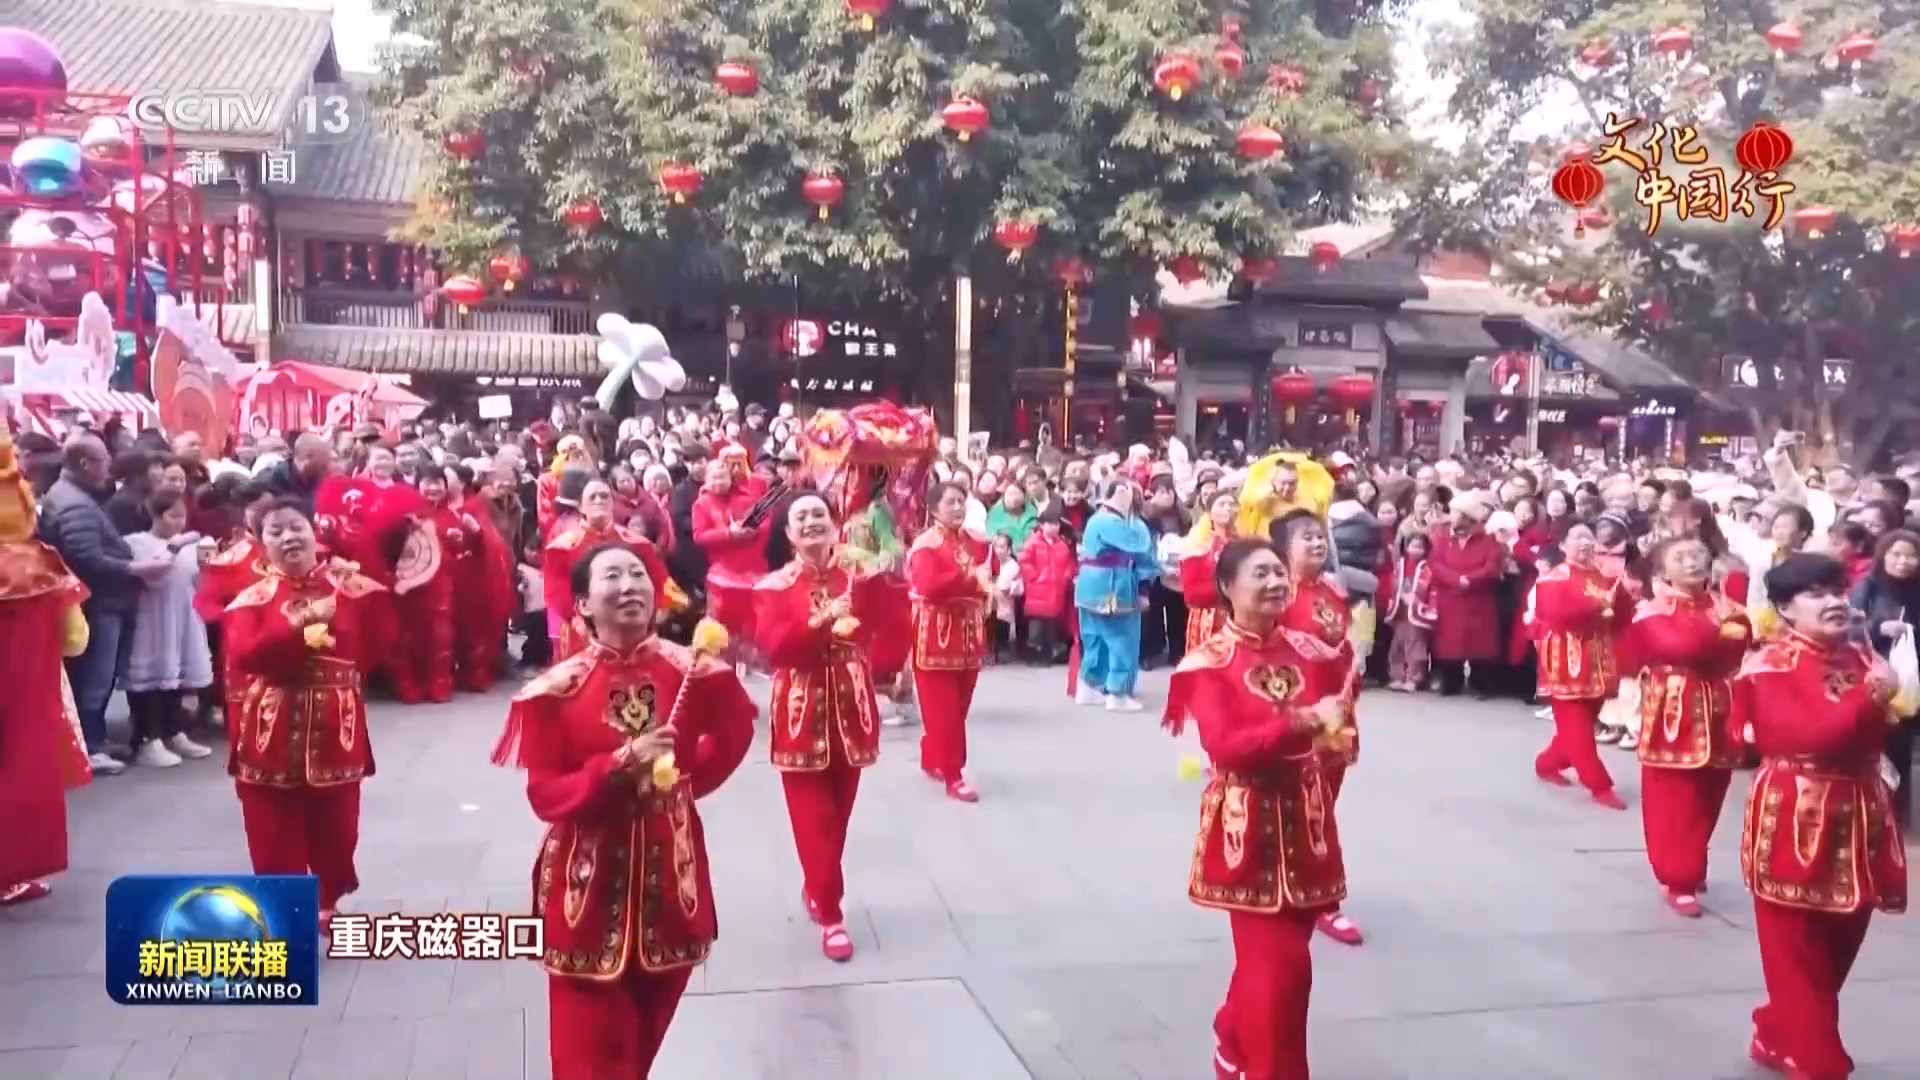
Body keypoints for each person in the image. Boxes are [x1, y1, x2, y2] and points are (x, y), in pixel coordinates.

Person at [493, 542, 756, 1080]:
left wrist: (682, 785)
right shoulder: (555, 691)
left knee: (644, 1034)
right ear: (583, 603)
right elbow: (546, 796)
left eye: (638, 574)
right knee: (586, 1052)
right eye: (612, 576)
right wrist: (618, 765)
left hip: (671, 877)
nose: (630, 585)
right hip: (585, 888)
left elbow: (733, 735)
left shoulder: (695, 672)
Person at [1162, 538, 1349, 1080]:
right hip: (1249, 827)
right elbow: (1227, 749)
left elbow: (1340, 705)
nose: (1274, 582)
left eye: (1277, 572)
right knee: (1284, 975)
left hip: (1306, 825)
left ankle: (1230, 1035)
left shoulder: (1311, 650)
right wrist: (1302, 722)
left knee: (1273, 968)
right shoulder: (1209, 663)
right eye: (1260, 573)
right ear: (1227, 587)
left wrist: (1333, 729)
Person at [1735, 553, 1906, 1080]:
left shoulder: (1859, 654)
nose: (1833, 601)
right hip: (1795, 810)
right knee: (1796, 948)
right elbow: (1809, 737)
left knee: (1838, 943)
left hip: (1859, 810)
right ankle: (1818, 1063)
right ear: (1786, 608)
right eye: (1816, 594)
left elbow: (1874, 730)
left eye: (1837, 590)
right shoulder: (1768, 667)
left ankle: (1775, 1027)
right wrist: (1874, 692)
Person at [223, 498, 391, 930]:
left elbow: (379, 639)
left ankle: (326, 898)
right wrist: (301, 629)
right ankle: (286, 909)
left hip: (337, 722)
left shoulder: (350, 585)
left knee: (338, 823)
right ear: (262, 543)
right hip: (272, 724)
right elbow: (246, 655)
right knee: (272, 824)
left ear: (314, 532)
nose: (288, 538)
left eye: (296, 527)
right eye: (275, 531)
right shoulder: (252, 599)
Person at [753, 494, 890, 963]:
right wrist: (825, 619)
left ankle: (818, 885)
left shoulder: (858, 576)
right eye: (802, 517)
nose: (812, 522)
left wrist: (884, 579)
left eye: (820, 515)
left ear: (835, 525)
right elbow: (779, 650)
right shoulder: (773, 587)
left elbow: (880, 628)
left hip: (852, 707)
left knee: (840, 816)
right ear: (788, 533)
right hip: (801, 710)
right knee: (816, 821)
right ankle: (831, 915)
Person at [1623, 536, 1750, 916]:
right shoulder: (1652, 613)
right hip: (1673, 709)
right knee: (1673, 796)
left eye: (1698, 554)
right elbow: (1683, 649)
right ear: (1663, 571)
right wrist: (1724, 631)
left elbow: (1739, 648)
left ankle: (1691, 859)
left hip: (1719, 706)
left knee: (1712, 790)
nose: (1693, 562)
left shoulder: (1727, 608)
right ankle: (1678, 876)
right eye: (1681, 557)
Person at [0, 428, 93, 906]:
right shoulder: (38, 565)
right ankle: (9, 871)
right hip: (24, 691)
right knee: (20, 768)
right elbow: (75, 639)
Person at [41, 435, 172, 773]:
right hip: (99, 601)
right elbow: (87, 559)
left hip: (100, 600)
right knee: (95, 677)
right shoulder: (75, 504)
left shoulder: (73, 496)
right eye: (103, 460)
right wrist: (137, 567)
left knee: (96, 674)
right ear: (86, 464)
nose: (109, 467)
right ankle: (91, 745)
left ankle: (93, 739)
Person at [1271, 508, 1365, 946]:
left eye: (1319, 536)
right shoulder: (1276, 596)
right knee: (1309, 811)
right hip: (1299, 720)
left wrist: (1353, 662)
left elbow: (1343, 648)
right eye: (1305, 537)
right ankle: (1323, 900)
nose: (1316, 543)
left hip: (1336, 718)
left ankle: (1301, 886)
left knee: (1320, 807)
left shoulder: (1331, 590)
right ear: (1283, 547)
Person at [1532, 519, 1631, 808]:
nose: (1585, 543)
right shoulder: (1554, 578)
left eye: (1589, 537)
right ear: (1563, 545)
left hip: (1598, 656)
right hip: (1566, 656)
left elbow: (1621, 616)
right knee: (1577, 726)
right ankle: (1599, 784)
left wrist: (1623, 597)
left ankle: (1546, 763)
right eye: (1577, 538)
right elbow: (1557, 615)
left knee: (1581, 725)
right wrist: (1598, 607)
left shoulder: (1605, 575)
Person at [906, 481, 989, 802]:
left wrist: (987, 579)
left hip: (969, 634)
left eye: (961, 501)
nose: (958, 507)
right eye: (950, 502)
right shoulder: (925, 545)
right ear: (934, 509)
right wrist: (971, 579)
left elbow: (990, 569)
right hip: (936, 635)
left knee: (959, 708)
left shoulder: (975, 541)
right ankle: (954, 776)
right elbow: (930, 586)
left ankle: (932, 754)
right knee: (944, 713)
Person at [122, 489, 216, 767]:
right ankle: (147, 739)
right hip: (153, 618)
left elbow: (199, 583)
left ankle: (173, 732)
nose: (179, 522)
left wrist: (209, 565)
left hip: (184, 615)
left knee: (177, 675)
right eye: (172, 515)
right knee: (152, 676)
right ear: (155, 514)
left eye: (182, 516)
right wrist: (175, 546)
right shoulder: (137, 542)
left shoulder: (190, 546)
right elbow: (154, 575)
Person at [544, 478, 682, 661]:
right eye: (592, 497)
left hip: (630, 624)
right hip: (581, 628)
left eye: (604, 496)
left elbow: (658, 580)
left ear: (612, 504)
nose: (599, 500)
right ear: (581, 507)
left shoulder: (637, 543)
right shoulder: (562, 548)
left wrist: (654, 610)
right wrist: (578, 620)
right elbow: (556, 591)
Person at [1849, 529, 1920, 822]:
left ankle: (1897, 812)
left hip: (1911, 682)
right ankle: (1873, 810)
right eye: (1896, 554)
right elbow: (1849, 628)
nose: (1903, 562)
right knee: (1877, 744)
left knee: (1902, 747)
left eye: (1911, 556)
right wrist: (1879, 628)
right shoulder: (1867, 587)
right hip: (1875, 676)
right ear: (1883, 555)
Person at [1073, 479, 1158, 711]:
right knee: (1122, 639)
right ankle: (1117, 692)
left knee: (1094, 638)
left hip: (1089, 586)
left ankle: (1089, 686)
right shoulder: (1122, 524)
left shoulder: (1095, 519)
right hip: (1113, 587)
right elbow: (1142, 549)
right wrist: (1143, 589)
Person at [1427, 492, 1505, 697]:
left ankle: (1480, 681)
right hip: (1450, 597)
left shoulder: (1487, 538)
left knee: (1479, 641)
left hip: (1478, 598)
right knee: (1449, 641)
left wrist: (1470, 579)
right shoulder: (1443, 537)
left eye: (1454, 513)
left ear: (1466, 516)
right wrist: (1456, 579)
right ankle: (1451, 680)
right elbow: (1435, 563)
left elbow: (1492, 566)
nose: (1450, 516)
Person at [1180, 491, 1239, 656]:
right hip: (1209, 612)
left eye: (1232, 504)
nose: (1228, 508)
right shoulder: (1199, 541)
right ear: (1210, 513)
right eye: (1222, 504)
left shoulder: (1242, 540)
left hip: (1237, 611)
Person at [1018, 506, 1075, 663]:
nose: (1053, 527)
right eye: (1050, 524)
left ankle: (1048, 653)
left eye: (1056, 524)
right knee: (1036, 627)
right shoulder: (1033, 543)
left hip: (1055, 591)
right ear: (1041, 525)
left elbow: (1069, 564)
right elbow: (1024, 561)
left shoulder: (1062, 545)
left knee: (1051, 626)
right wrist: (1035, 576)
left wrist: (1066, 577)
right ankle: (1034, 654)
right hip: (1037, 592)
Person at [1384, 532, 1437, 691]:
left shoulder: (1427, 568)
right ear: (1406, 547)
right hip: (1400, 610)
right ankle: (1397, 676)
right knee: (1397, 645)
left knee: (1415, 646)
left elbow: (1431, 589)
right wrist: (1396, 598)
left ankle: (1414, 678)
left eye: (1420, 547)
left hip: (1416, 612)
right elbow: (1392, 585)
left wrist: (1419, 602)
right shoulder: (1400, 565)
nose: (1416, 550)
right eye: (1413, 546)